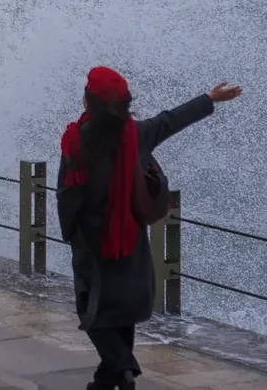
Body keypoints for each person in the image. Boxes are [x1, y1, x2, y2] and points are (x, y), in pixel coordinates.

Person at [57, 67, 242, 390]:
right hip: (130, 238)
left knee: (92, 308)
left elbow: (68, 194)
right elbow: (170, 120)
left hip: (92, 241)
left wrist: (71, 232)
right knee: (123, 307)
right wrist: (209, 98)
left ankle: (124, 367)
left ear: (90, 102)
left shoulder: (77, 140)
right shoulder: (137, 134)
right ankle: (107, 380)